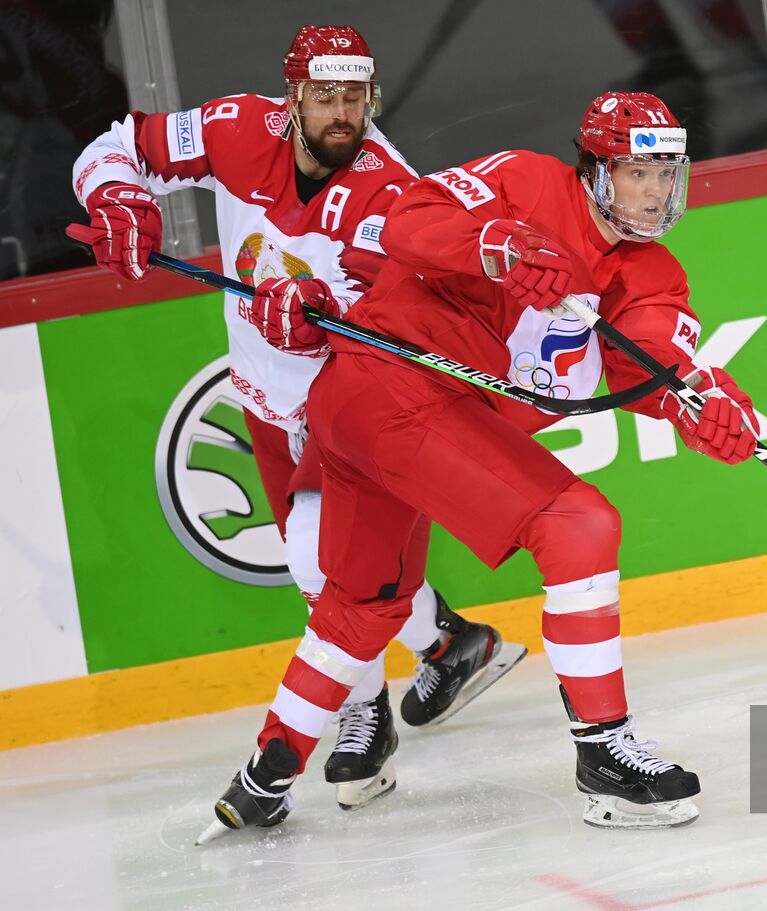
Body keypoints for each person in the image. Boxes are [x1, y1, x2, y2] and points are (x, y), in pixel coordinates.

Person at [208, 90, 759, 836]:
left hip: (391, 414)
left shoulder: (650, 272)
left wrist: (710, 407)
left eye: (668, 173)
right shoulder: (528, 182)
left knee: (365, 603)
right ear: (595, 169)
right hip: (392, 384)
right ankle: (605, 758)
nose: (657, 191)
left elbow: (659, 361)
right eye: (638, 172)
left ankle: (264, 775)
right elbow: (411, 219)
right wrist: (492, 244)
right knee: (578, 524)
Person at [70, 24, 523, 812]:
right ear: (294, 98)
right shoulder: (236, 129)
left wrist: (327, 313)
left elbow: (406, 303)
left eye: (355, 96)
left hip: (354, 400)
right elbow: (118, 144)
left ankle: (363, 714)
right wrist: (117, 194)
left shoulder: (389, 186)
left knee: (323, 564)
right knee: (328, 566)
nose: (342, 112)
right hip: (265, 395)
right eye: (325, 96)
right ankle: (447, 643)